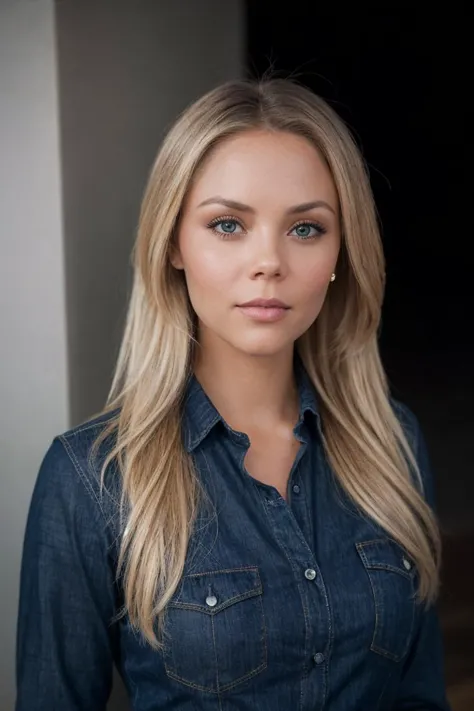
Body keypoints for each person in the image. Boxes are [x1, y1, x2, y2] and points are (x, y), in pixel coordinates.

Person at [15, 78, 451, 710]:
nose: (268, 261)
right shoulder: (92, 480)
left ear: (339, 252)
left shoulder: (393, 444)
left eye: (305, 228)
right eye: (228, 224)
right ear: (173, 245)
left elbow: (420, 694)